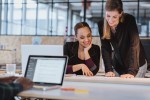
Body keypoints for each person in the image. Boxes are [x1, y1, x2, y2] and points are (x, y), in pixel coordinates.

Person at [98, 0, 147, 78]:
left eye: (114, 17)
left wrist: (132, 72)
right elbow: (105, 48)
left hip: (136, 65)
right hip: (119, 66)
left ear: (120, 13)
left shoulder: (129, 20)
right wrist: (108, 70)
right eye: (108, 16)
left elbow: (134, 45)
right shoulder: (101, 24)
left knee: (131, 89)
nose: (110, 20)